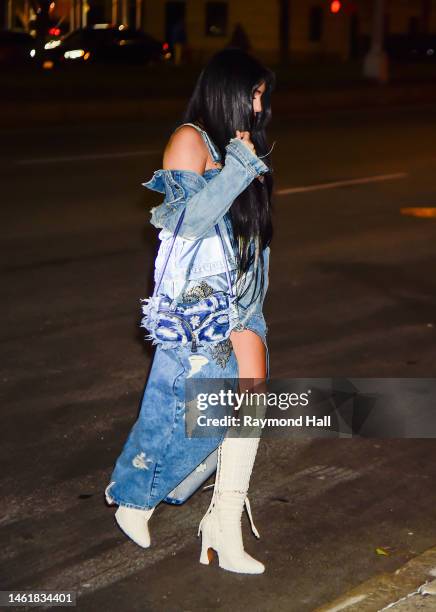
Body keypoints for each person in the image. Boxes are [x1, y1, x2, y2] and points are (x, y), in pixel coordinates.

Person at [104, 47, 276, 575]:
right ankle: (135, 494)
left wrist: (256, 303)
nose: (259, 107)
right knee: (183, 409)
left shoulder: (239, 147)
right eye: (253, 95)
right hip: (200, 306)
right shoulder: (190, 140)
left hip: (241, 299)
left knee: (251, 405)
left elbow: (249, 238)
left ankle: (223, 525)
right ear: (228, 91)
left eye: (263, 97)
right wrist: (240, 169)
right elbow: (184, 223)